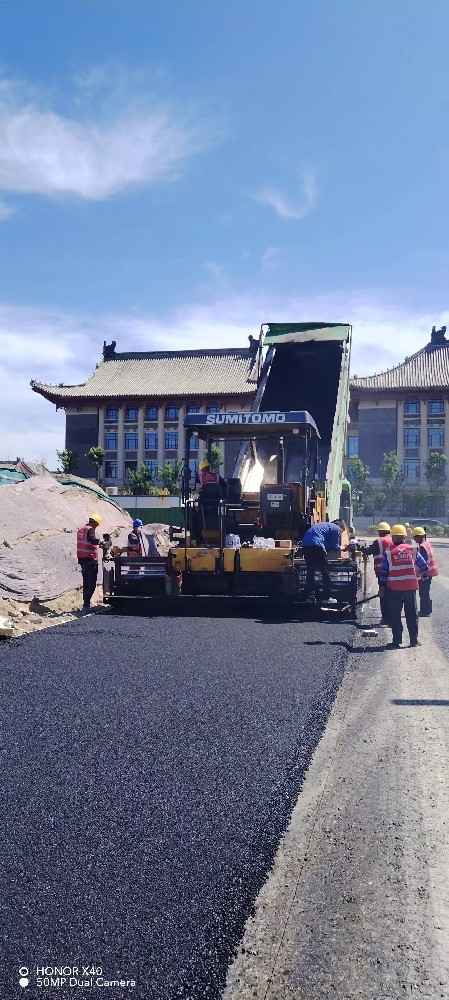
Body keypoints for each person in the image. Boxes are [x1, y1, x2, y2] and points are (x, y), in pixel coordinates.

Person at [378, 524, 428, 649]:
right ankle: (414, 640)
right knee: (411, 614)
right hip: (410, 588)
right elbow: (424, 566)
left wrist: (382, 588)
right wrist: (423, 576)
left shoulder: (388, 552)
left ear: (393, 537)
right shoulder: (413, 549)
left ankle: (396, 641)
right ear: (404, 537)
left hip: (394, 589)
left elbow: (384, 573)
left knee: (395, 614)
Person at [301, 519, 347, 602]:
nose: (340, 534)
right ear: (340, 527)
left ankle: (310, 595)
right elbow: (335, 548)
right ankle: (327, 596)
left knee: (310, 570)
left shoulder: (324, 526)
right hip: (317, 546)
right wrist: (345, 548)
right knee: (325, 571)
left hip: (305, 546)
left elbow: (327, 545)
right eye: (341, 531)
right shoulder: (336, 529)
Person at [361, 521, 393, 625]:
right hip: (394, 572)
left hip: (381, 572)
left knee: (383, 595)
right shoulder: (393, 540)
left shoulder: (379, 541)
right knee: (392, 595)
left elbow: (368, 551)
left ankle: (385, 619)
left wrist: (361, 548)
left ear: (380, 532)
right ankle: (393, 619)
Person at [76, 514, 104, 610]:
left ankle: (86, 604)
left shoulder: (81, 530)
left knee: (86, 582)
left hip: (82, 560)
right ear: (95, 523)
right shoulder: (90, 529)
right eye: (97, 525)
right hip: (90, 560)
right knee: (91, 583)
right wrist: (100, 542)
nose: (96, 527)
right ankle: (86, 605)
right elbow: (92, 539)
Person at [412, 526, 439, 616]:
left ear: (419, 536)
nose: (414, 538)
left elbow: (422, 562)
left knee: (423, 593)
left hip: (426, 573)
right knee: (426, 592)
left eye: (415, 537)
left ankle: (425, 611)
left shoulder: (422, 547)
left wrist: (423, 575)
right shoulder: (426, 543)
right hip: (430, 571)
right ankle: (427, 610)